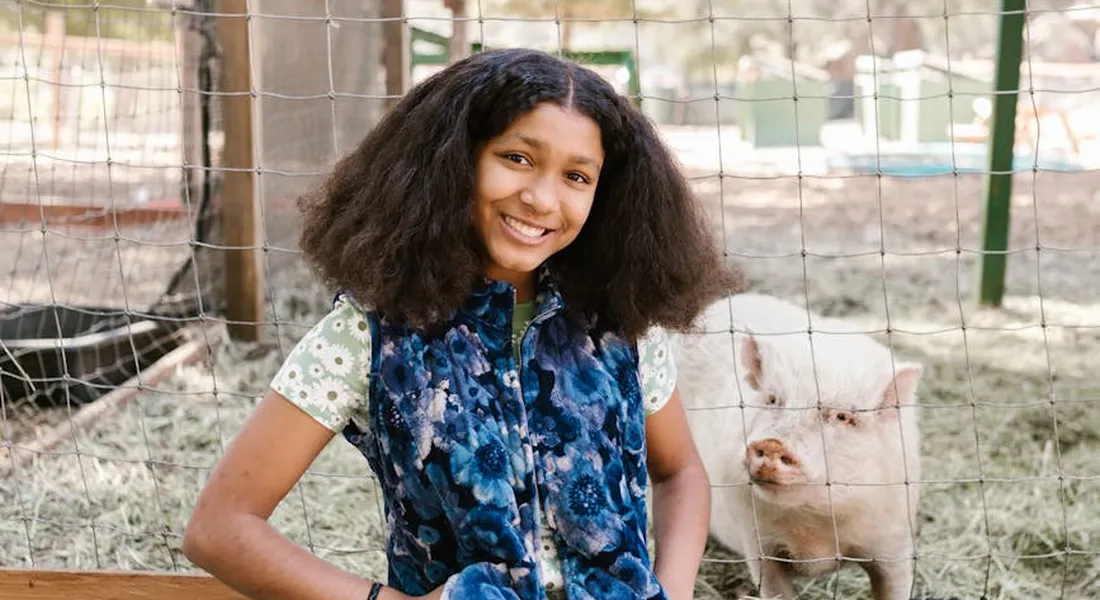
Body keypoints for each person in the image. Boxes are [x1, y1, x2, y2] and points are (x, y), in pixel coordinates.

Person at [182, 47, 744, 600]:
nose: (542, 198)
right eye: (517, 158)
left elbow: (681, 472)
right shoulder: (366, 336)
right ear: (453, 159)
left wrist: (672, 590)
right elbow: (220, 528)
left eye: (577, 176)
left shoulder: (622, 324)